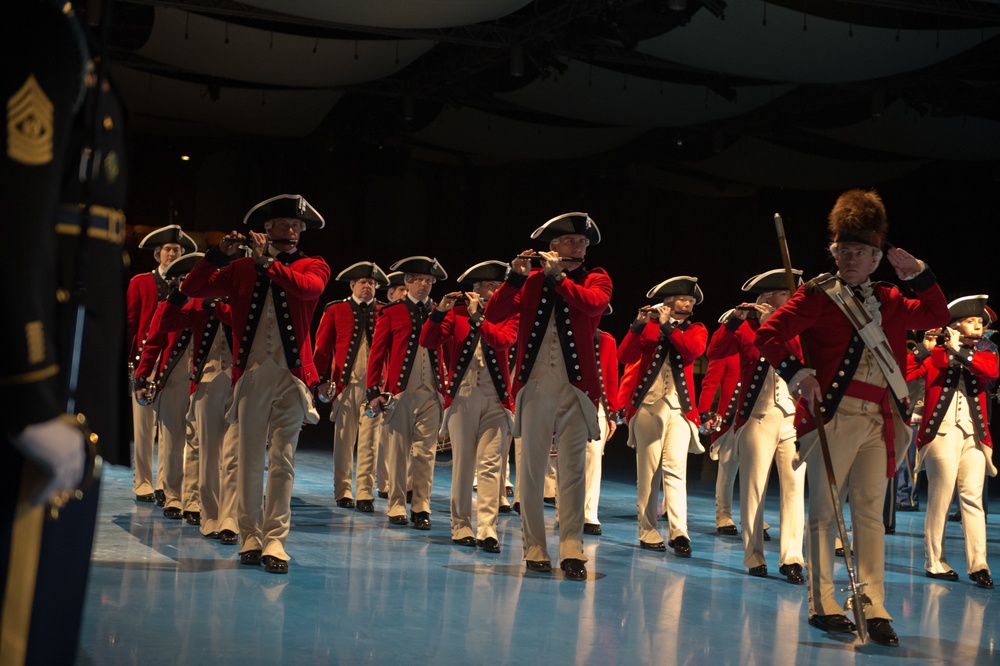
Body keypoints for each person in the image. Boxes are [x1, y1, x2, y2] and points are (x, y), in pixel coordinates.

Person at [755, 188, 950, 647]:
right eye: (843, 250)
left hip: (882, 421)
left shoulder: (892, 300)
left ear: (877, 256)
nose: (850, 257)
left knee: (868, 516)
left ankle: (872, 604)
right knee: (824, 515)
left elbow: (938, 314)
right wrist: (798, 372)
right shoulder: (819, 295)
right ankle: (822, 602)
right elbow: (769, 334)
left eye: (860, 251)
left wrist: (919, 275)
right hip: (834, 418)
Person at [2, 1, 128, 662]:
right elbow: (15, 225)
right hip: (41, 387)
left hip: (66, 380)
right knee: (20, 628)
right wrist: (30, 392)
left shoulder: (65, 31)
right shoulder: (38, 31)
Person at [181, 194, 330, 574]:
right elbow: (194, 289)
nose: (293, 231)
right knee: (248, 458)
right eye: (284, 225)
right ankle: (250, 535)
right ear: (266, 230)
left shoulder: (314, 265)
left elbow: (308, 289)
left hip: (292, 377)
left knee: (283, 460)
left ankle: (276, 539)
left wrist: (269, 263)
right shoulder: (242, 268)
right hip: (251, 375)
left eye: (297, 227)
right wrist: (219, 253)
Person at [484, 212, 611, 581]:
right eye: (571, 242)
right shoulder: (533, 279)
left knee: (573, 470)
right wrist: (514, 278)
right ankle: (535, 547)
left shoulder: (596, 278)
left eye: (583, 243)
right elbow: (495, 315)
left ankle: (572, 548)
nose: (579, 248)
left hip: (577, 386)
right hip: (536, 382)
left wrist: (559, 278)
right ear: (552, 247)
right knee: (532, 467)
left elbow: (592, 305)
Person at [708, 269, 806, 584]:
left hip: (793, 417)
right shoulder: (747, 328)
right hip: (757, 418)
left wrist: (773, 328)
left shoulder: (801, 327)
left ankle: (792, 557)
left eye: (772, 295)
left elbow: (803, 357)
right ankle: (754, 555)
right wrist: (734, 321)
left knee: (794, 488)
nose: (764, 300)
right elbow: (715, 352)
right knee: (754, 488)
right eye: (764, 296)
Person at [420, 260, 517, 552]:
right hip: (463, 395)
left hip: (497, 398)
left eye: (500, 287)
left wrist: (479, 319)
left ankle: (488, 529)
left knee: (491, 465)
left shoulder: (510, 314)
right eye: (491, 286)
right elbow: (428, 340)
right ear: (477, 289)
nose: (497, 291)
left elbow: (502, 342)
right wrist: (440, 312)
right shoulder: (458, 314)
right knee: (464, 463)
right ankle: (461, 524)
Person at [907, 295, 997, 589]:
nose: (978, 326)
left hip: (974, 435)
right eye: (971, 321)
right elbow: (904, 373)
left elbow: (990, 372)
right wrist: (923, 349)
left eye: (980, 322)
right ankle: (934, 560)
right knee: (941, 497)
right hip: (940, 434)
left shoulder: (985, 354)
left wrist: (959, 351)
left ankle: (979, 563)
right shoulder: (936, 356)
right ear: (956, 326)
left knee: (972, 498)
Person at [618, 277, 707, 557]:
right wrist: (638, 325)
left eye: (691, 300)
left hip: (680, 409)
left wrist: (667, 327)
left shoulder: (697, 329)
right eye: (683, 299)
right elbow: (624, 356)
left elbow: (692, 351)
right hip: (648, 405)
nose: (688, 303)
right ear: (667, 302)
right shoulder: (649, 327)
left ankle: (679, 531)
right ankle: (647, 529)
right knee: (648, 471)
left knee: (675, 469)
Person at [366, 257, 449, 529]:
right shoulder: (392, 312)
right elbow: (376, 354)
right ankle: (397, 504)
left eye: (429, 281)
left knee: (426, 453)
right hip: (401, 392)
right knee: (398, 452)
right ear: (408, 282)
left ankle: (421, 505)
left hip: (431, 393)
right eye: (419, 280)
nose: (425, 285)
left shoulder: (440, 311)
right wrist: (373, 392)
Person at [156, 279, 237, 543]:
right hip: (207, 381)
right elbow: (166, 323)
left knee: (235, 456)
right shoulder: (199, 304)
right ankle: (211, 515)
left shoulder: (244, 302)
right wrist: (183, 293)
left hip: (241, 382)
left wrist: (216, 306)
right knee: (208, 453)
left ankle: (230, 519)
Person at [128, 224, 197, 504]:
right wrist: (134, 362)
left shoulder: (188, 284)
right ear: (157, 254)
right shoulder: (141, 282)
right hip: (147, 359)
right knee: (144, 427)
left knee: (171, 425)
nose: (172, 253)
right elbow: (132, 324)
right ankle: (142, 481)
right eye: (168, 249)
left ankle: (163, 483)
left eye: (177, 250)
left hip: (175, 359)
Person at [313, 261, 389, 512]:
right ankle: (343, 490)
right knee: (344, 440)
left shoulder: (385, 311)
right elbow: (322, 348)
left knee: (370, 441)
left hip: (374, 390)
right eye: (363, 283)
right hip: (346, 387)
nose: (368, 286)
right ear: (352, 285)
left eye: (372, 283)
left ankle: (365, 492)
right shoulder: (336, 310)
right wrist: (321, 380)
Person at [698, 311, 742, 536]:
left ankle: (755, 516)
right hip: (731, 419)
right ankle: (724, 515)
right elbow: (711, 381)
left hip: (760, 417)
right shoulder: (727, 352)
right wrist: (704, 412)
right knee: (728, 469)